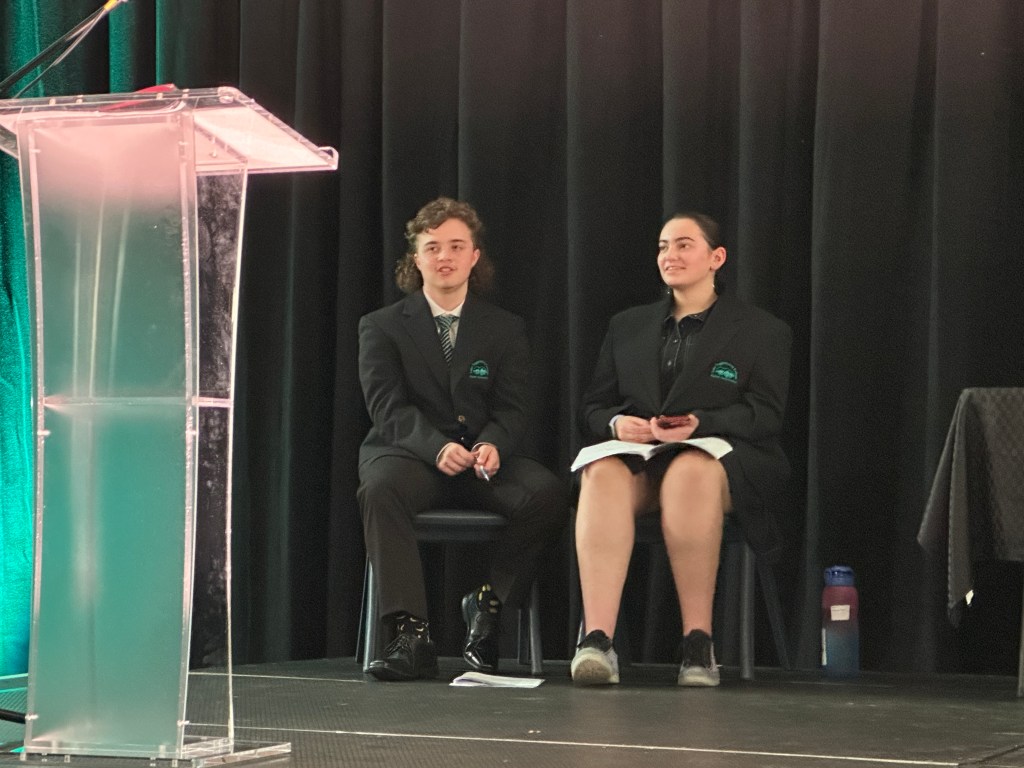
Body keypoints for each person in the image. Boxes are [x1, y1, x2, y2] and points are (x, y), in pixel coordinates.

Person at [571, 212, 791, 687]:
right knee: (601, 471)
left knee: (691, 471)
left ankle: (698, 644)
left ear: (716, 258)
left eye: (684, 244)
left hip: (721, 464)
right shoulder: (627, 326)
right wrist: (616, 423)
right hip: (644, 461)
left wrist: (700, 424)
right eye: (663, 246)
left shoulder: (761, 330)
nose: (669, 255)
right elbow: (592, 407)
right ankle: (597, 641)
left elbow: (766, 415)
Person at [357, 196, 567, 681]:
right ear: (416, 259)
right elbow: (387, 409)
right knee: (380, 489)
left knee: (547, 494)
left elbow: (513, 408)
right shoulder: (381, 326)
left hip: (481, 462)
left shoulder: (506, 328)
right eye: (432, 247)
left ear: (475, 256)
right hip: (410, 456)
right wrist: (436, 447)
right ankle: (410, 635)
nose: (444, 257)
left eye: (456, 246)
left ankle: (488, 606)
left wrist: (493, 443)